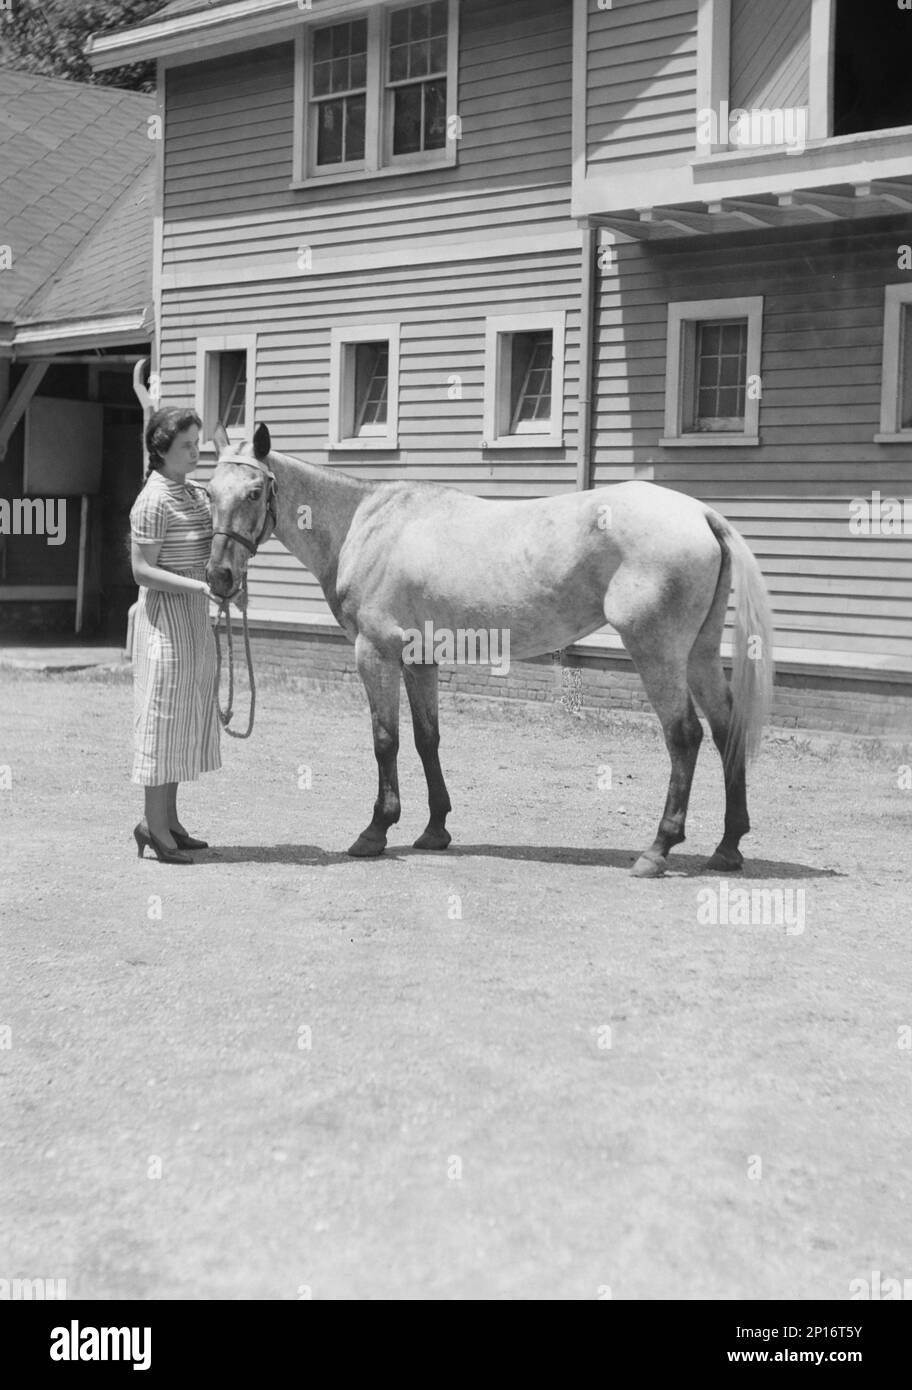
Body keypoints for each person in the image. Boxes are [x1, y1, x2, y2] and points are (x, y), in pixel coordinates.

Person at [129, 406, 240, 863]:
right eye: (186, 446)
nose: (196, 453)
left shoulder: (193, 493)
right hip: (165, 626)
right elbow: (141, 570)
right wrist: (199, 585)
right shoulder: (153, 499)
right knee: (161, 723)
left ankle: (168, 822)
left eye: (198, 444)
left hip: (196, 624)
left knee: (183, 724)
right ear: (161, 450)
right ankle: (154, 829)